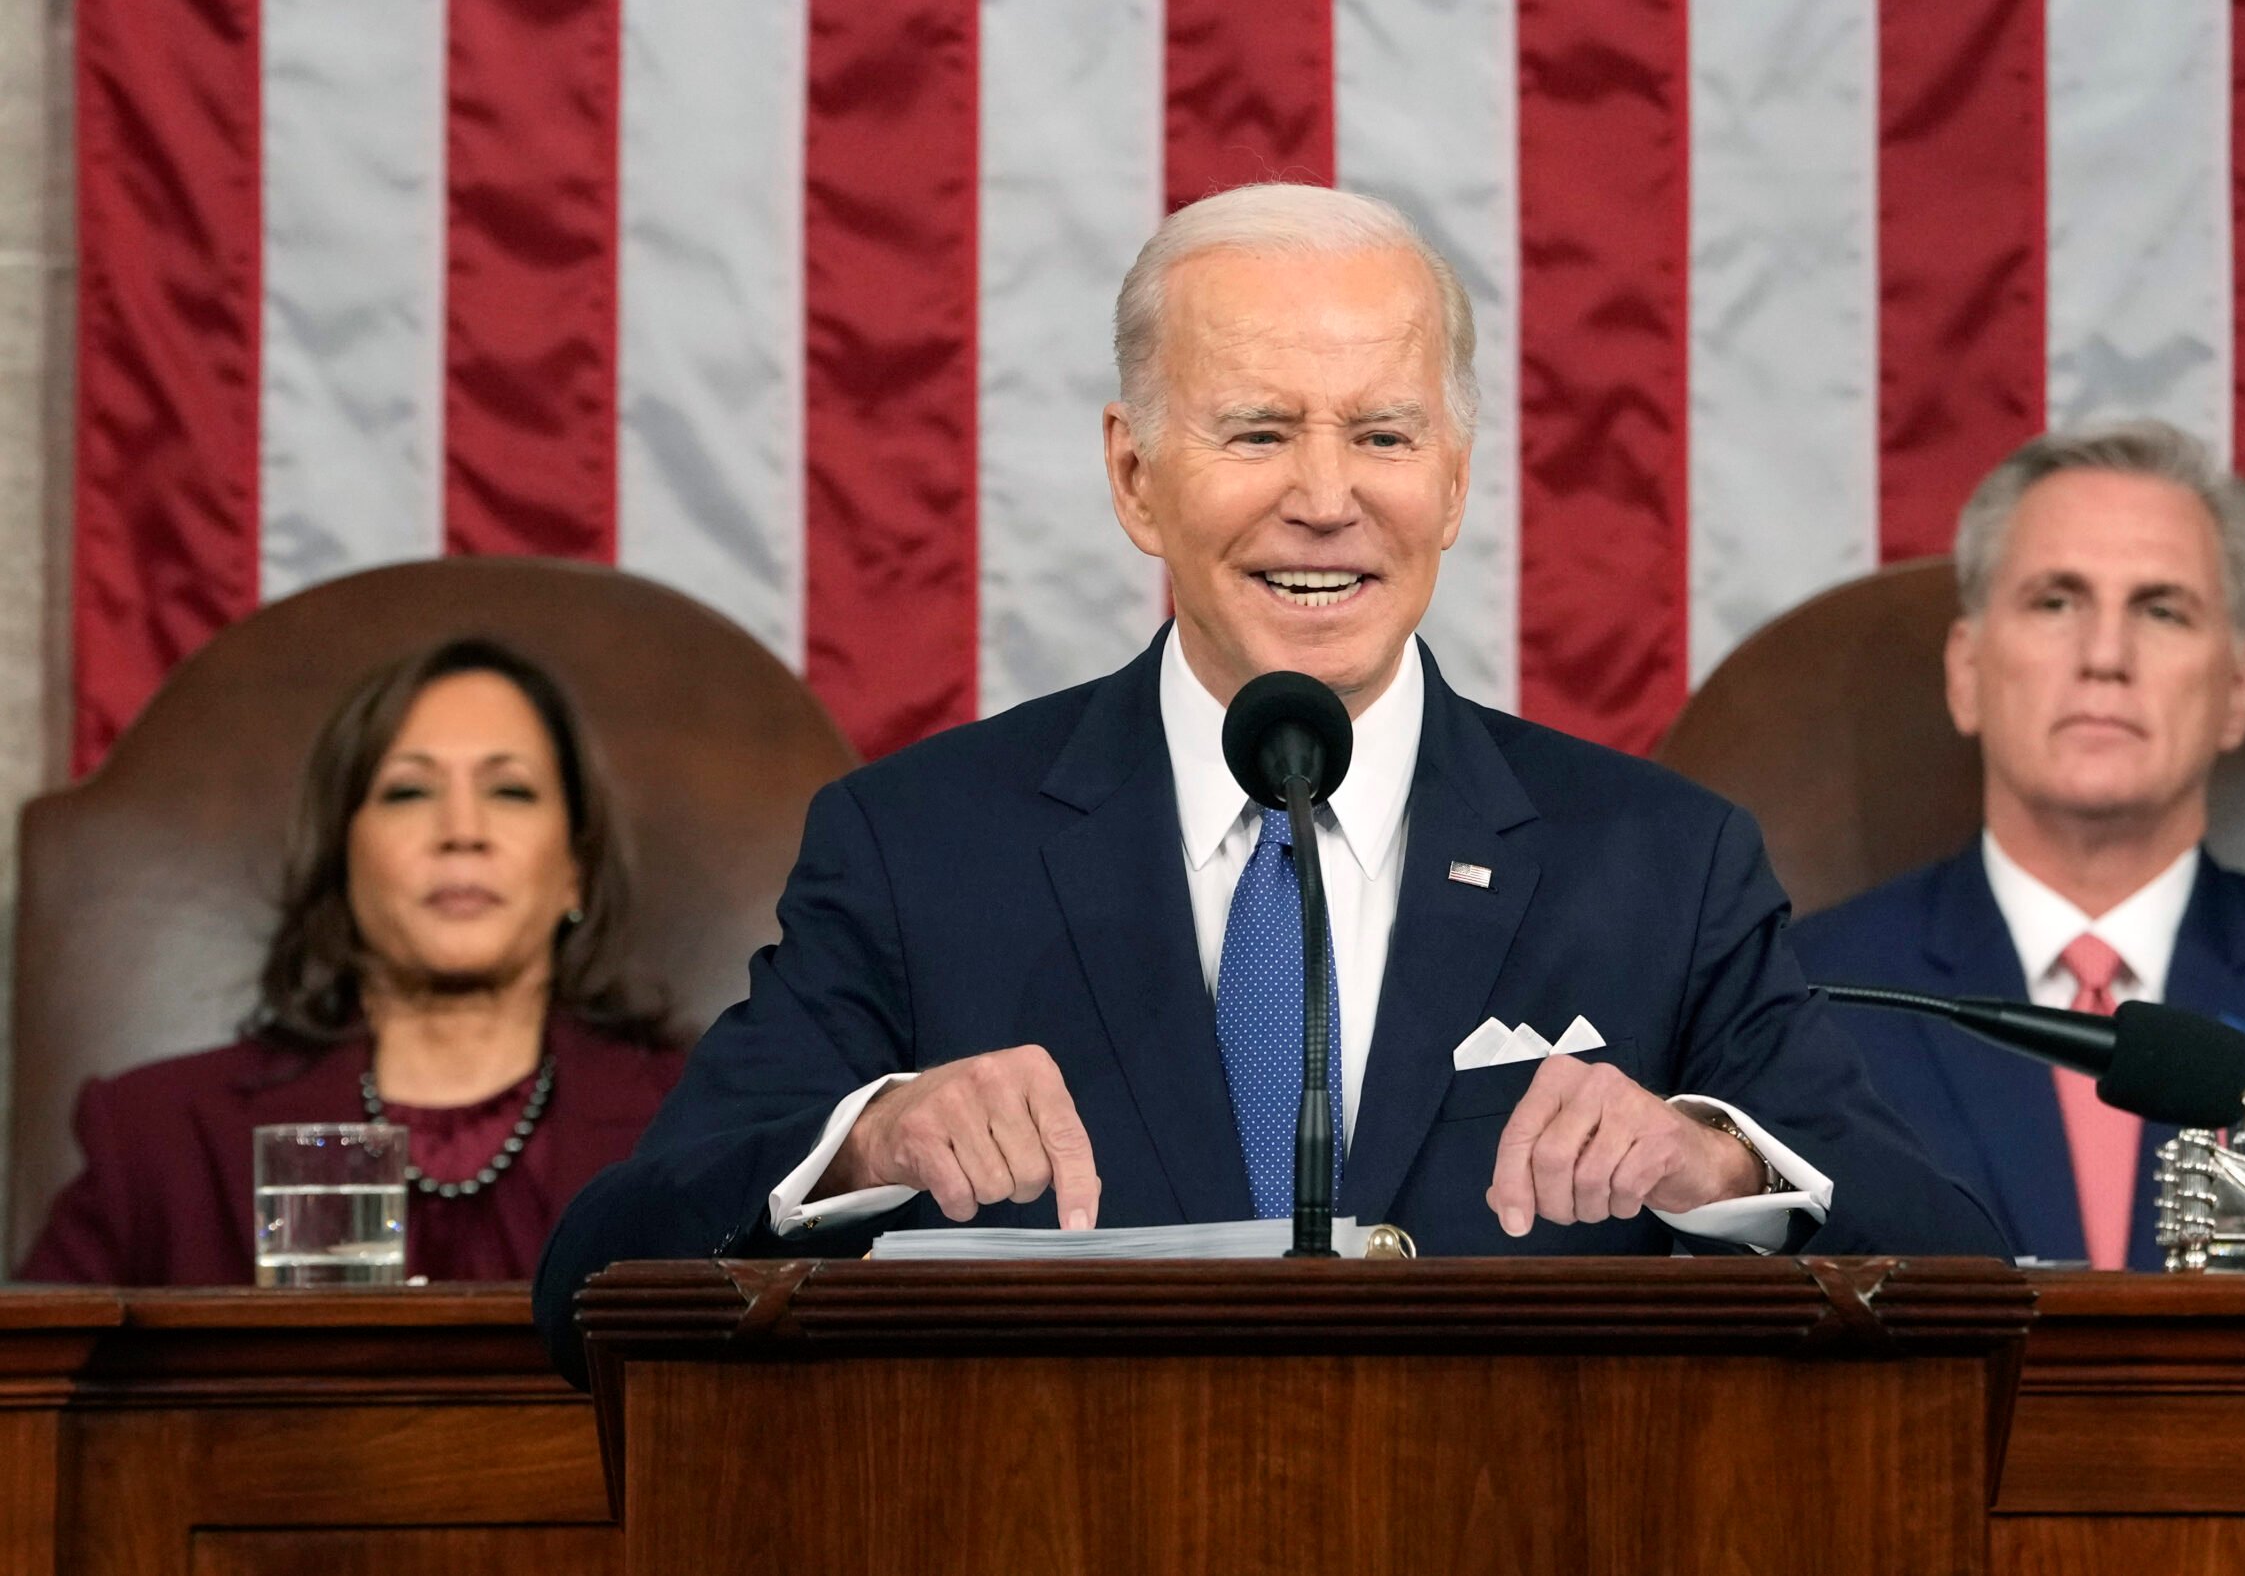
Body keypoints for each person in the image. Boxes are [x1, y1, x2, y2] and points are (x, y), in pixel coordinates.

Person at [535, 183, 2003, 1370]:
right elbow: (595, 1276)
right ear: (1133, 477)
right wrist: (864, 1136)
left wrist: (1709, 1160)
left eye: (1381, 433)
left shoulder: (1661, 861)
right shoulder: (921, 847)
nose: (1325, 495)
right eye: (1256, 431)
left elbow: (1953, 1268)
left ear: (1455, 476)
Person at [1790, 424, 2245, 1271]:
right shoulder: (1804, 1001)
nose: (2105, 657)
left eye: (2161, 610)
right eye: (2056, 602)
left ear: (2238, 689)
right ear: (1967, 671)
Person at [17, 637, 690, 1284]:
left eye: (510, 791)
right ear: (342, 859)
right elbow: (34, 1390)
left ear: (575, 867)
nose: (462, 831)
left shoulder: (709, 1129)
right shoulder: (159, 1138)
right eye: (408, 792)